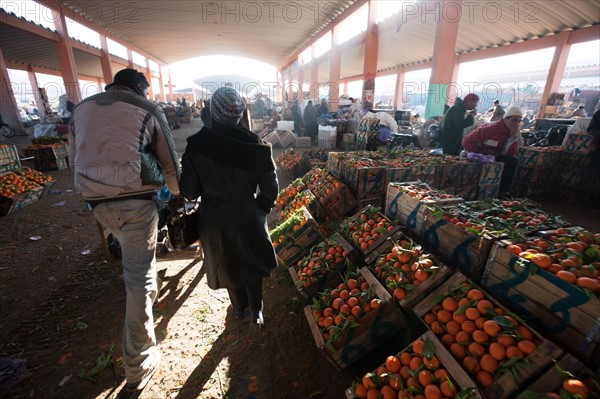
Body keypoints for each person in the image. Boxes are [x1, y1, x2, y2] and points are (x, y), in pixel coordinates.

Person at [69, 68, 181, 393]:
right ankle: (139, 364)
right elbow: (170, 164)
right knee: (139, 280)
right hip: (134, 205)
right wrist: (175, 193)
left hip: (97, 205)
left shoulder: (80, 109)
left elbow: (73, 158)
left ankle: (146, 288)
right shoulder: (147, 109)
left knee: (134, 260)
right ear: (138, 88)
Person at [179, 87, 278, 327]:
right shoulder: (258, 146)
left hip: (214, 220)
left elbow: (189, 192)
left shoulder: (196, 145)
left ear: (212, 112)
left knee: (229, 263)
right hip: (248, 217)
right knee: (252, 263)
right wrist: (259, 210)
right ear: (240, 113)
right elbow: (270, 189)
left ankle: (239, 309)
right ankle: (257, 310)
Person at [462, 104, 523, 198]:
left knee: (513, 161)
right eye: (514, 120)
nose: (516, 124)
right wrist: (480, 152)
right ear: (506, 119)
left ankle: (503, 192)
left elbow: (510, 153)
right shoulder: (491, 128)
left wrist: (513, 138)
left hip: (492, 157)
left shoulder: (514, 132)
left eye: (518, 121)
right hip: (475, 155)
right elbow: (466, 141)